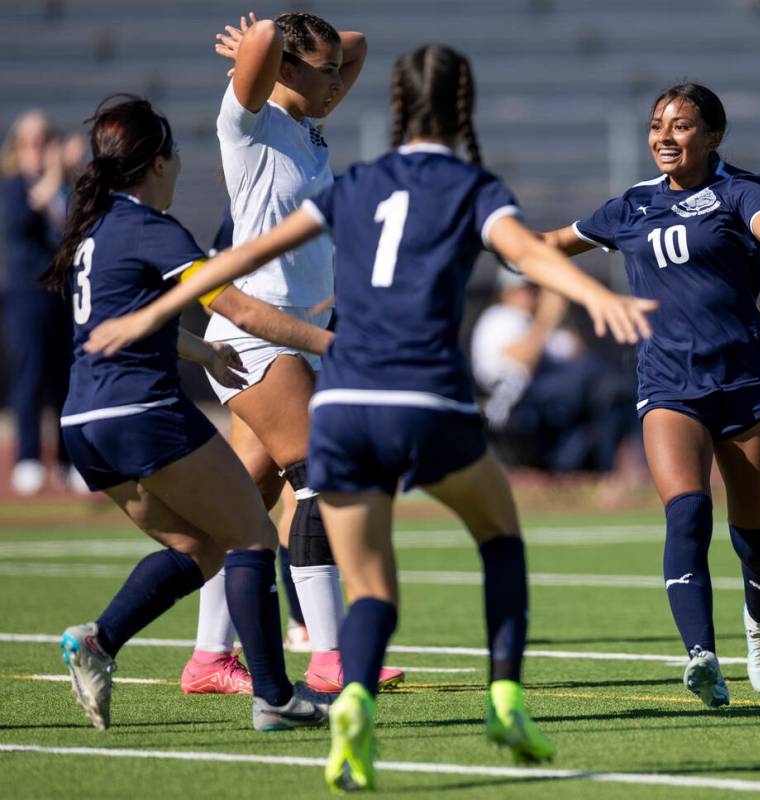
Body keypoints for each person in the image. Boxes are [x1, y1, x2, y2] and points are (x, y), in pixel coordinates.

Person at [84, 45, 655, 792]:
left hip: (345, 400)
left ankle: (329, 686)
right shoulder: (469, 184)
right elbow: (524, 255)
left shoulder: (353, 181)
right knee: (499, 536)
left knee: (328, 560)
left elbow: (235, 258)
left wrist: (155, 313)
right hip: (420, 397)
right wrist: (594, 295)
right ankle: (496, 695)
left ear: (391, 109)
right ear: (461, 111)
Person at [40, 96, 334, 732]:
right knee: (253, 534)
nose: (179, 170)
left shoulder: (91, 228)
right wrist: (335, 345)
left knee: (199, 547)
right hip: (142, 411)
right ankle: (277, 698)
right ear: (155, 162)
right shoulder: (153, 227)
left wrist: (197, 348)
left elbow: (116, 321)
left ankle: (99, 641)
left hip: (83, 425)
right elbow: (243, 309)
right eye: (174, 156)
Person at [543, 83, 760, 709]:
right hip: (668, 384)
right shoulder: (631, 206)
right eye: (657, 125)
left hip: (745, 381)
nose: (665, 136)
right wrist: (477, 242)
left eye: (682, 126)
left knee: (756, 541)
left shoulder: (743, 190)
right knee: (687, 512)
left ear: (712, 137)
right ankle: (702, 656)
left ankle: (759, 624)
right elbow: (550, 245)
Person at [183, 10, 402, 695]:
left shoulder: (309, 126)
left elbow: (357, 45)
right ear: (285, 68)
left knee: (246, 500)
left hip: (296, 330)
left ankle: (206, 656)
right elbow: (268, 45)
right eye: (324, 69)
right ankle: (330, 652)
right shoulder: (248, 126)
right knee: (322, 474)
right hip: (254, 331)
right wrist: (267, 40)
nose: (339, 80)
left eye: (338, 71)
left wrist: (309, 54)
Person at [471, 271, 638, 476]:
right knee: (602, 383)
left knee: (612, 387)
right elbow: (523, 361)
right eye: (524, 290)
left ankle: (608, 471)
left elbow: (577, 356)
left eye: (535, 290)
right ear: (506, 292)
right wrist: (547, 317)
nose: (532, 296)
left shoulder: (538, 325)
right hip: (515, 404)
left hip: (554, 404)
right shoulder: (501, 317)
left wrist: (560, 314)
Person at [0, 111, 81, 494]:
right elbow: (19, 223)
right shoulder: (14, 184)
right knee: (29, 374)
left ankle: (68, 460)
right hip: (26, 294)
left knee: (66, 377)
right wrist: (52, 176)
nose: (37, 147)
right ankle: (28, 458)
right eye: (29, 141)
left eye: (43, 139)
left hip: (62, 294)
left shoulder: (65, 187)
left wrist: (66, 178)